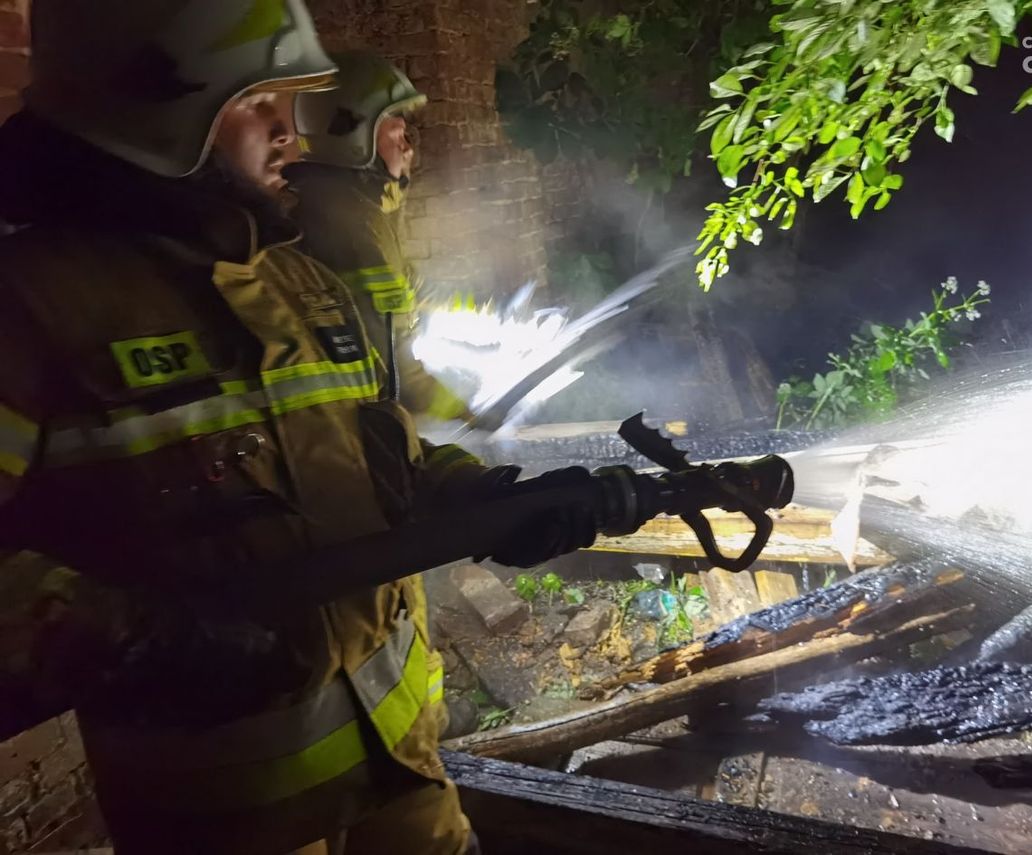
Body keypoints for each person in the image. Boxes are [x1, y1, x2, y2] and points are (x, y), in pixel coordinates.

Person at [0, 1, 592, 852]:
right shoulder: (32, 309)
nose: (292, 134)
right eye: (255, 102)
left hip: (403, 774)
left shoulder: (302, 285)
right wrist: (138, 638)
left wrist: (488, 499)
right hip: (231, 820)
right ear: (152, 107)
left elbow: (379, 454)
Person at [288, 51, 474, 424]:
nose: (408, 149)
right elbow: (395, 364)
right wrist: (464, 413)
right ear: (353, 135)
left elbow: (398, 292)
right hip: (368, 418)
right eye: (398, 134)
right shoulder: (352, 223)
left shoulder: (334, 204)